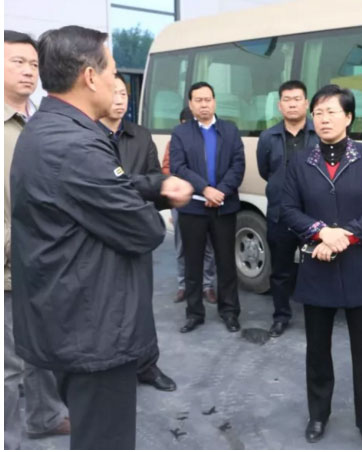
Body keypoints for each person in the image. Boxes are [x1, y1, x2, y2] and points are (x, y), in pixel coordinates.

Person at [10, 26, 193, 450]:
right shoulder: (74, 144)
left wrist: (155, 185)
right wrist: (153, 202)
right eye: (112, 70)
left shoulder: (53, 127)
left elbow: (106, 190)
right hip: (93, 330)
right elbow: (145, 230)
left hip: (74, 318)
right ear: (90, 77)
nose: (117, 80)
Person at [282, 84, 362, 449]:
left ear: (348, 117)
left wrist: (344, 236)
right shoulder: (301, 162)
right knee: (317, 349)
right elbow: (289, 210)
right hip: (318, 266)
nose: (323, 118)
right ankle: (318, 415)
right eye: (318, 112)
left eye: (331, 111)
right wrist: (321, 233)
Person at [4, 30, 70, 449]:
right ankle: (7, 438)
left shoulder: (42, 121)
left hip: (46, 260)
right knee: (8, 365)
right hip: (10, 264)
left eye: (34, 64)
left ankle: (44, 416)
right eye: (18, 62)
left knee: (43, 347)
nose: (29, 71)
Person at [98, 72, 178, 392]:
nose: (119, 100)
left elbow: (154, 179)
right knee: (104, 304)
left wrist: (167, 192)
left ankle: (146, 365)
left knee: (141, 303)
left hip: (136, 232)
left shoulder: (141, 136)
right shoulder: (88, 136)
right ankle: (110, 369)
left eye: (124, 94)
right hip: (100, 235)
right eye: (113, 93)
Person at [170, 81, 245, 333]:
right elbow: (178, 167)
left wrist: (220, 191)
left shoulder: (230, 130)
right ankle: (194, 313)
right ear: (190, 104)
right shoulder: (181, 133)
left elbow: (238, 165)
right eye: (198, 100)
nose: (204, 104)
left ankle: (229, 312)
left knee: (226, 263)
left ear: (214, 102)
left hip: (224, 207)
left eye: (208, 99)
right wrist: (205, 189)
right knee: (193, 263)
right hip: (193, 208)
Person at [257, 80, 318, 337]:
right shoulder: (268, 137)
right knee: (280, 271)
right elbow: (265, 171)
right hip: (280, 215)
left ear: (306, 103)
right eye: (287, 100)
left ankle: (316, 317)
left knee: (315, 270)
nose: (292, 104)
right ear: (280, 105)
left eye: (297, 99)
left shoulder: (319, 134)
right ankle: (281, 316)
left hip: (312, 215)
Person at [162, 107, 217, 305]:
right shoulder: (175, 141)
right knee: (182, 246)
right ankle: (183, 285)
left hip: (204, 199)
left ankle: (207, 286)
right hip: (182, 200)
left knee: (208, 247)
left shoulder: (207, 140)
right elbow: (167, 168)